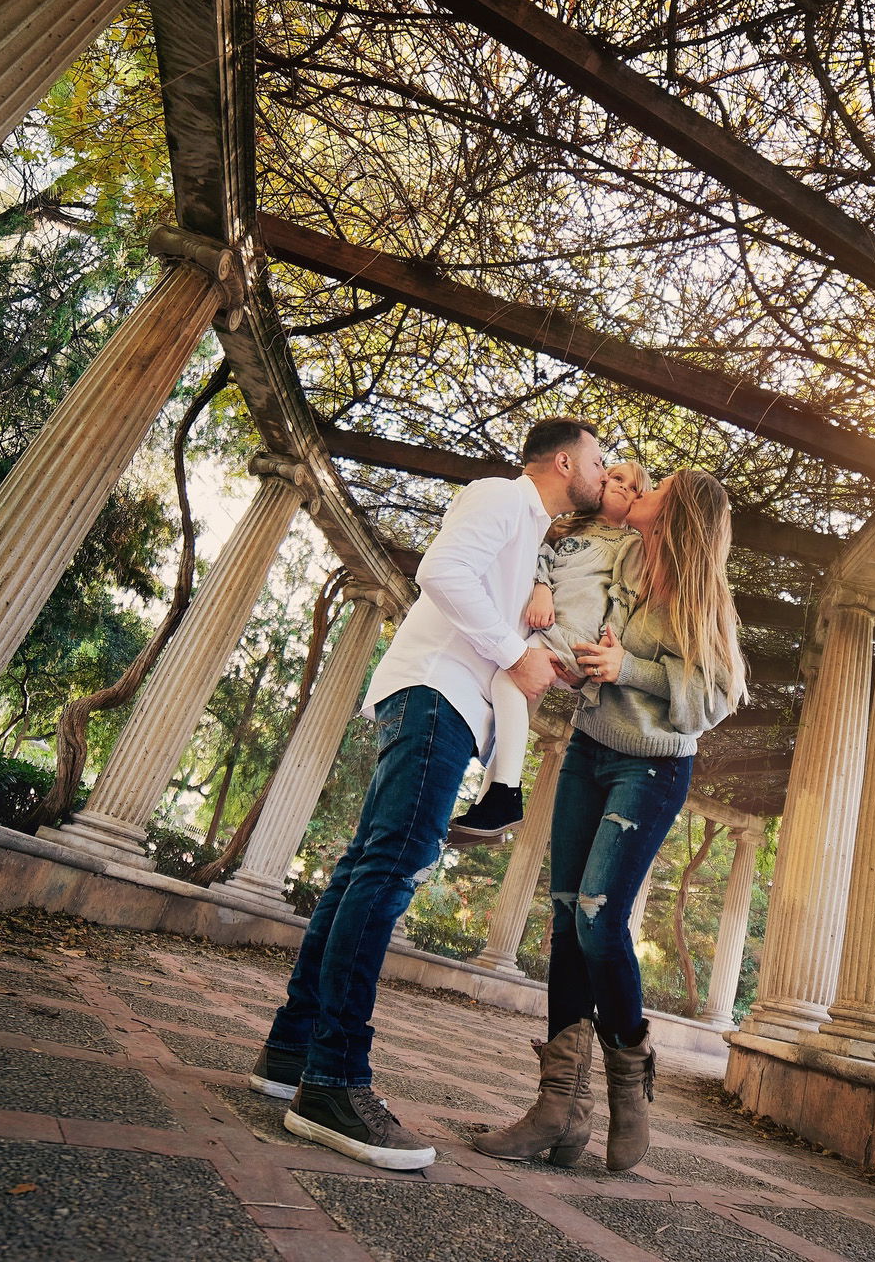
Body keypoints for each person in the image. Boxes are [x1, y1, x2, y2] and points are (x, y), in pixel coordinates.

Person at [249, 417, 607, 1170]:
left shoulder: (524, 530)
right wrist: (514, 654)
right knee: (387, 875)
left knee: (361, 872)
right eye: (600, 461)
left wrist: (533, 657)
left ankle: (290, 1055)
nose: (604, 476)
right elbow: (440, 573)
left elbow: (485, 609)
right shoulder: (502, 497)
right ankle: (335, 1082)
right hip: (433, 698)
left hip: (436, 698)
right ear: (565, 460)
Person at [470, 469, 746, 1173]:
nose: (641, 483)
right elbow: (549, 544)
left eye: (661, 484)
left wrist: (630, 667)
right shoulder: (620, 552)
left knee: (598, 917)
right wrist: (542, 595)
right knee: (564, 916)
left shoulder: (705, 597)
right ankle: (559, 1107)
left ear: (679, 511)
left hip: (651, 767)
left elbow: (717, 695)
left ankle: (631, 1074)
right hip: (591, 746)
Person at [447, 460, 653, 844]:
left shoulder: (633, 544)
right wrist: (542, 588)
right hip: (545, 624)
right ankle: (490, 809)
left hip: (579, 634)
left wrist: (605, 653)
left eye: (636, 489)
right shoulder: (565, 527)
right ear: (603, 482)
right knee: (517, 704)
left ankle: (505, 793)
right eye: (619, 478)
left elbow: (626, 597)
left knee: (508, 679)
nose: (625, 488)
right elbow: (542, 557)